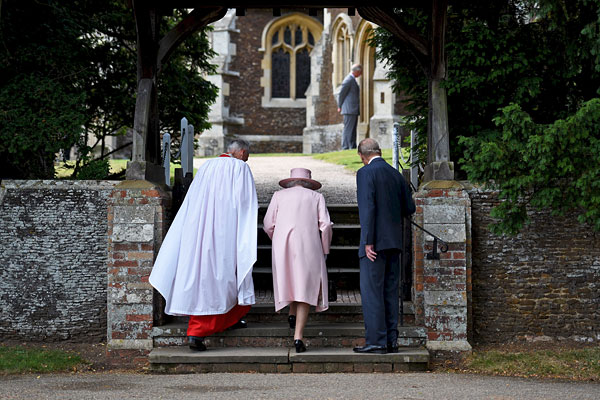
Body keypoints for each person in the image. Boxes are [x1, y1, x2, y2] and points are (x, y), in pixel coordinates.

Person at [149, 139, 258, 351]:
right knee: (223, 276)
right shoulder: (240, 168)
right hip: (225, 228)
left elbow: (194, 197)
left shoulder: (207, 166)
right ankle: (197, 332)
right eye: (247, 154)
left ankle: (229, 319)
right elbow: (245, 203)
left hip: (199, 226)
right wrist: (245, 230)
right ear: (241, 152)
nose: (247, 158)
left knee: (209, 274)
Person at [353, 138, 416, 354]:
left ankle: (376, 342)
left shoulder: (365, 173)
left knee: (372, 293)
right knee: (390, 292)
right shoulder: (395, 174)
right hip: (394, 242)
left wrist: (368, 241)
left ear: (362, 156)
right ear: (379, 151)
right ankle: (391, 341)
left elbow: (367, 208)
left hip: (374, 244)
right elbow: (409, 208)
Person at [263, 168, 333, 353]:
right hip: (308, 245)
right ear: (308, 182)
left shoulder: (278, 196)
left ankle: (292, 313)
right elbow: (326, 225)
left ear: (291, 181)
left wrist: (277, 238)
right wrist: (325, 248)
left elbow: (268, 224)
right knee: (304, 285)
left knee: (290, 279)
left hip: (282, 245)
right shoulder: (316, 197)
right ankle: (298, 337)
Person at [337, 63, 362, 150]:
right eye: (360, 72)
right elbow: (341, 94)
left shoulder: (352, 79)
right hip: (349, 109)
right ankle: (346, 146)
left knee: (352, 129)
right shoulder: (348, 80)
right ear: (356, 71)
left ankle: (352, 145)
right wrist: (339, 106)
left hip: (353, 109)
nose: (361, 74)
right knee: (348, 129)